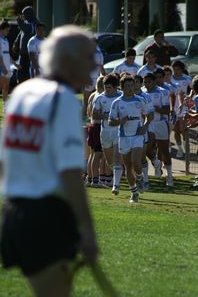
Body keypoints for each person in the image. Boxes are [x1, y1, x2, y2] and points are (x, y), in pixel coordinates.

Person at [0, 25, 98, 297]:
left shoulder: (23, 92)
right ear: (68, 60)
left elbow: (4, 161)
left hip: (15, 215)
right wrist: (88, 232)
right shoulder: (63, 99)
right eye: (89, 57)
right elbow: (70, 173)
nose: (94, 64)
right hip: (46, 216)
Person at [109, 74, 151, 202]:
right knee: (127, 167)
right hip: (124, 137)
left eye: (132, 85)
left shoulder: (140, 100)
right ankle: (134, 193)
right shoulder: (117, 102)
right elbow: (111, 122)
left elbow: (150, 115)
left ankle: (140, 178)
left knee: (136, 161)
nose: (130, 88)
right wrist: (120, 121)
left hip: (138, 136)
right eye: (127, 86)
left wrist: (145, 126)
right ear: (122, 87)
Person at [92, 73, 123, 194]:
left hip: (118, 131)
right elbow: (94, 115)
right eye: (106, 87)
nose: (107, 90)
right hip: (105, 132)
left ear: (115, 87)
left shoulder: (121, 96)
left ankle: (116, 186)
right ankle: (116, 175)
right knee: (110, 161)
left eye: (109, 87)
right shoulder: (100, 98)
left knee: (117, 157)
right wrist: (106, 116)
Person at [0, 19, 20, 113]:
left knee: (6, 87)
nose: (8, 32)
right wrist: (3, 68)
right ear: (2, 29)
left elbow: (7, 54)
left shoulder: (6, 40)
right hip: (2, 68)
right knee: (3, 86)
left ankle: (5, 108)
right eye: (7, 30)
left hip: (7, 67)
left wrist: (15, 64)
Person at [83, 39, 106, 119]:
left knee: (88, 99)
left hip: (92, 78)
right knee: (90, 98)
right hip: (93, 78)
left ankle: (87, 115)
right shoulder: (99, 53)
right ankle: (87, 114)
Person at [17, 6, 39, 82]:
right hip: (23, 52)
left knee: (28, 72)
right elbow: (21, 34)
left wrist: (20, 23)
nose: (23, 16)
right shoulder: (26, 22)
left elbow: (29, 30)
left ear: (29, 13)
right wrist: (16, 43)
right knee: (20, 71)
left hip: (30, 52)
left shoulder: (35, 23)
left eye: (24, 14)